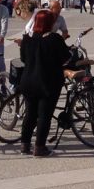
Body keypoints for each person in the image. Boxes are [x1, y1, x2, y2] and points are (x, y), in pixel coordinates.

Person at [18, 11, 70, 156]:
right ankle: (39, 146)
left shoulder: (27, 39)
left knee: (30, 114)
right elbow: (66, 58)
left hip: (28, 80)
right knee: (44, 115)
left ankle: (24, 144)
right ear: (49, 23)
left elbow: (23, 58)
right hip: (48, 82)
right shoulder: (54, 39)